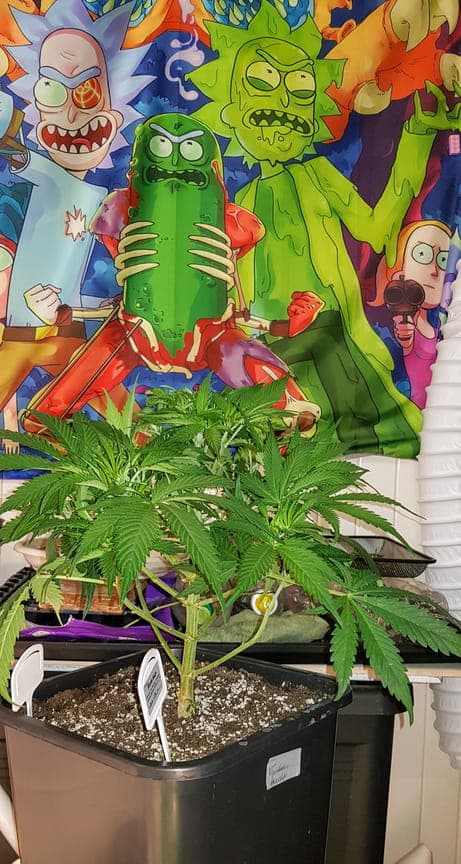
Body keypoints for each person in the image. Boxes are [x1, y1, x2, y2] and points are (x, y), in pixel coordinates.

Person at [369, 221, 451, 408]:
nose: (435, 271)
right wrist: (406, 342)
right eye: (422, 254)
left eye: (443, 260)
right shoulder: (384, 327)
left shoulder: (440, 325)